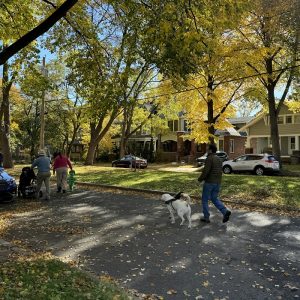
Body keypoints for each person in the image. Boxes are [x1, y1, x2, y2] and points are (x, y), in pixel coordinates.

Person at [198, 144, 231, 223]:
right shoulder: (219, 159)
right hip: (217, 182)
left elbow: (206, 171)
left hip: (209, 182)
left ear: (210, 150)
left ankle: (206, 217)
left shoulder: (209, 158)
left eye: (207, 148)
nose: (206, 149)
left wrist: (200, 179)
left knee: (205, 200)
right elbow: (220, 171)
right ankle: (225, 211)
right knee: (214, 198)